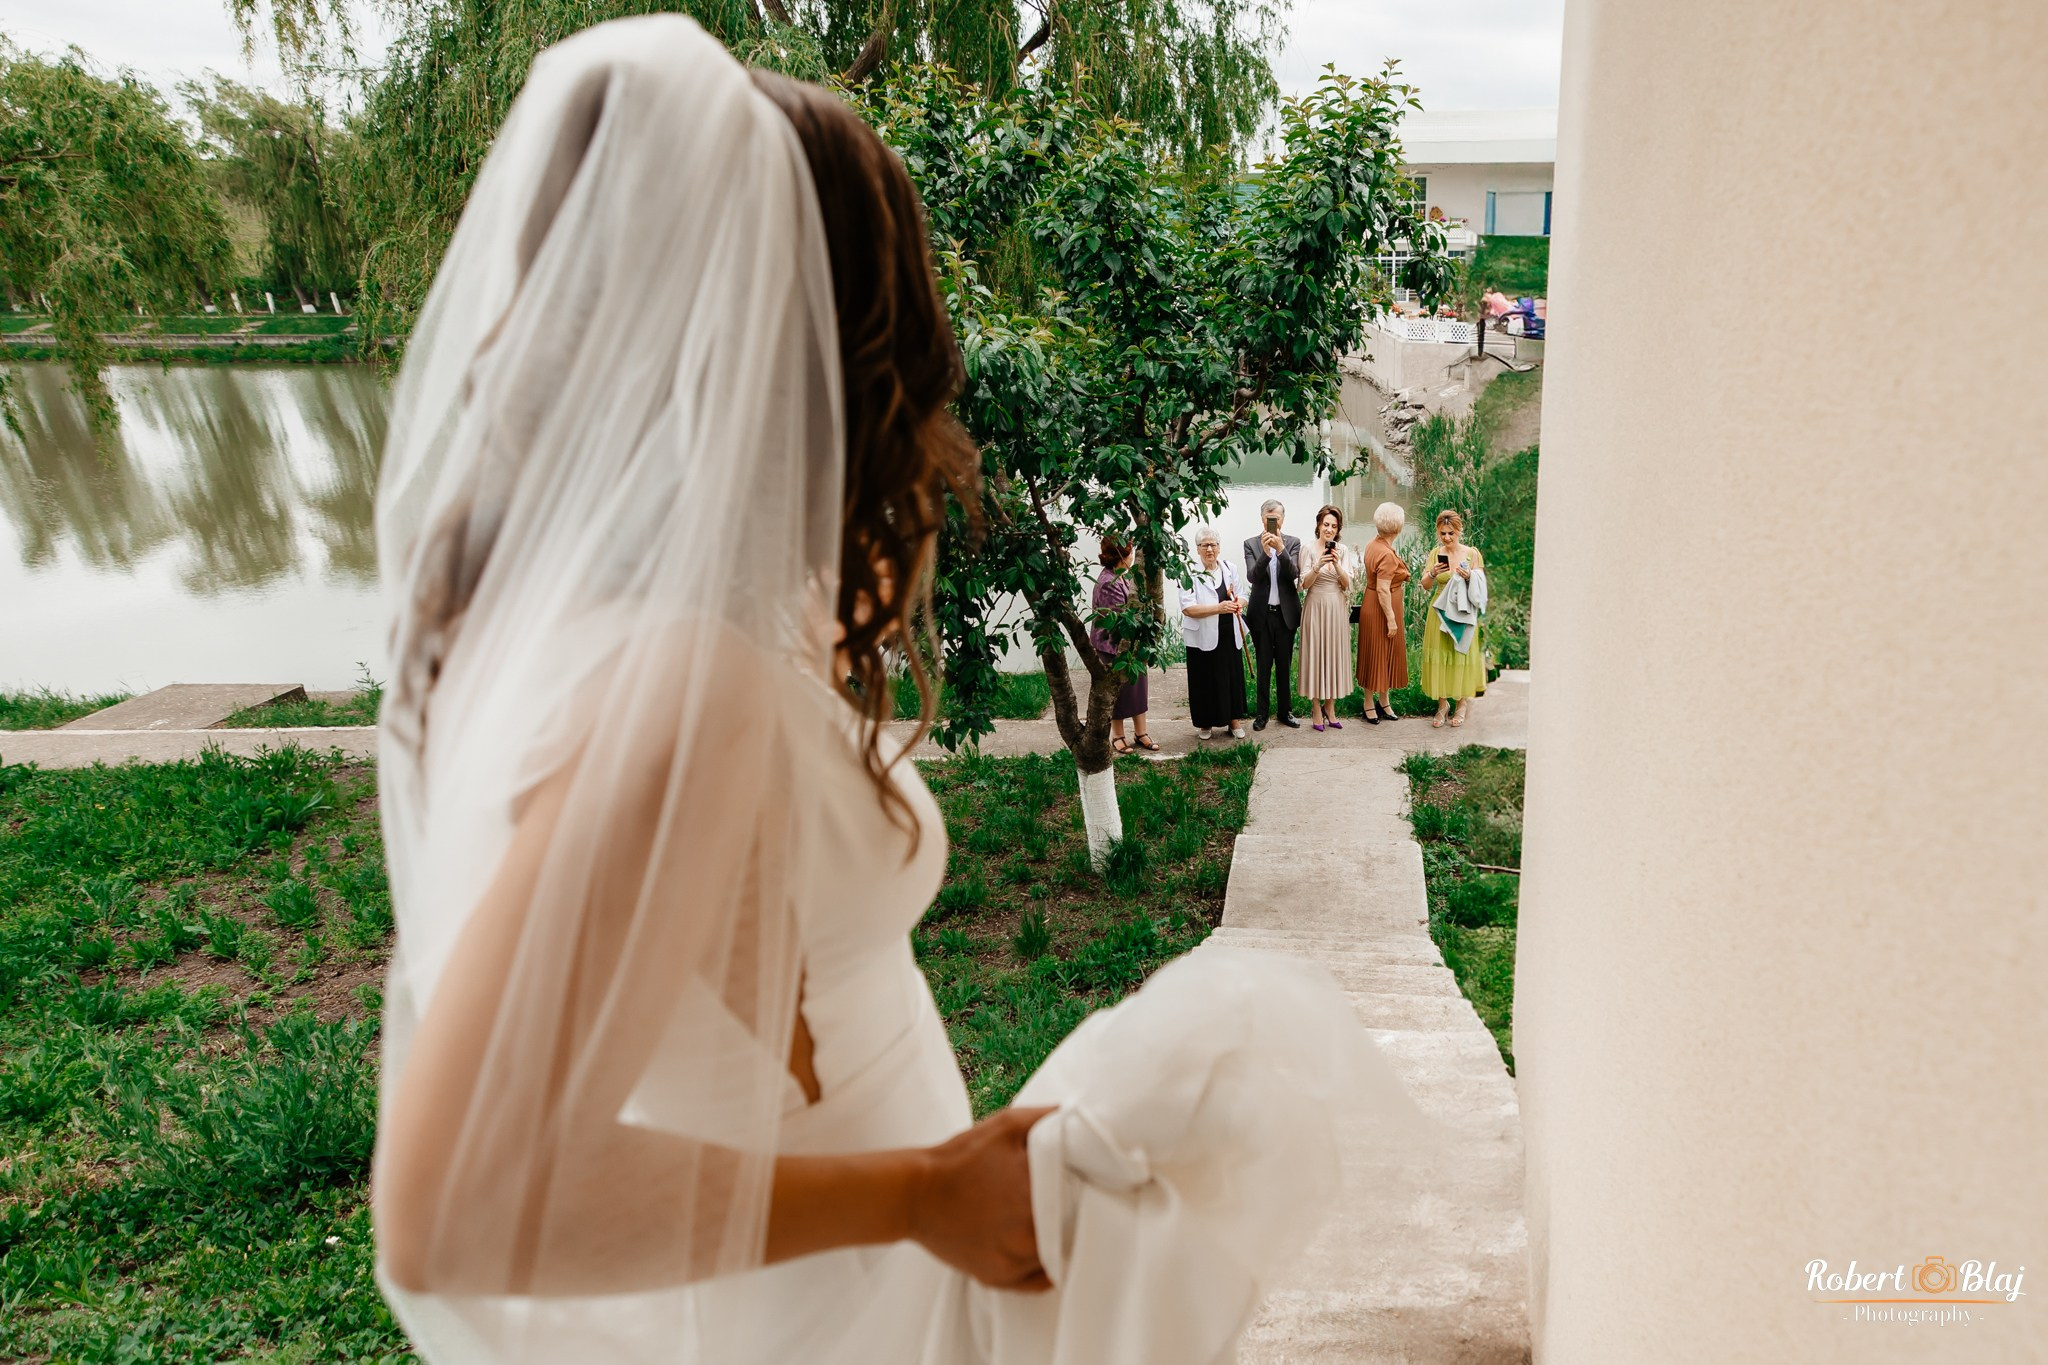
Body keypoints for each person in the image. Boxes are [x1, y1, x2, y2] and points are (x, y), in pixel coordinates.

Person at [368, 19, 1415, 1365]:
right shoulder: (682, 685)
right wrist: (922, 1194)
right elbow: (453, 1209)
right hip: (821, 1315)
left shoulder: (614, 626)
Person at [1418, 508, 1489, 728]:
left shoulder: (1472, 554)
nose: (1447, 538)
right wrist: (1433, 573)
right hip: (1439, 611)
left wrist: (1470, 578)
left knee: (1460, 655)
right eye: (1442, 533)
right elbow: (1425, 585)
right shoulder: (1435, 553)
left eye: (1451, 533)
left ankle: (1461, 704)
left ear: (1459, 531)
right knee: (1441, 657)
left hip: (1464, 611)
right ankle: (1442, 705)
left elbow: (1482, 586)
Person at [1178, 527, 1250, 741]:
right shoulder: (1188, 572)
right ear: (1198, 549)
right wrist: (1218, 608)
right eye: (1204, 545)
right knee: (1204, 679)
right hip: (1201, 637)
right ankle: (1205, 723)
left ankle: (1234, 720)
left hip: (1228, 633)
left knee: (1231, 677)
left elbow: (1243, 594)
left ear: (1219, 547)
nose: (1209, 549)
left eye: (1213, 545)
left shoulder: (1230, 568)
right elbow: (1187, 608)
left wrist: (1238, 604)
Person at [1090, 538, 1157, 754]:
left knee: (1138, 688)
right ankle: (1117, 735)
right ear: (1122, 557)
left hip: (1132, 644)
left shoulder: (1123, 577)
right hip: (1113, 646)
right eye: (1130, 554)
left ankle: (1141, 732)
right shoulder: (1109, 582)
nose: (1133, 559)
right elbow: (1121, 620)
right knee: (1117, 691)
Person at [1294, 504, 1357, 732]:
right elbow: (1303, 585)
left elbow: (1347, 583)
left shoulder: (1343, 550)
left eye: (1334, 526)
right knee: (1315, 654)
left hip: (1336, 606)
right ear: (1318, 525)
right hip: (1315, 605)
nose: (1329, 529)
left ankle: (1330, 707)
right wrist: (1318, 566)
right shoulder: (1308, 549)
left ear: (1338, 529)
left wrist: (1337, 564)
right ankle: (1315, 707)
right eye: (1326, 524)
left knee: (1334, 654)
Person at [1241, 499, 1303, 731]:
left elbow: (1294, 573)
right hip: (1261, 616)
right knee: (1264, 665)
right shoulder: (1251, 544)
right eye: (1269, 518)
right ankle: (1261, 714)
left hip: (1285, 615)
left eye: (1276, 518)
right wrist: (1266, 553)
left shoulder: (1293, 543)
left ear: (1282, 520)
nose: (1272, 522)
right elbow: (1252, 577)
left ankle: (1285, 712)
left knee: (1285, 666)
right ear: (1262, 519)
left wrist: (1281, 549)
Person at [1354, 501, 1410, 724]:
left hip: (1372, 602)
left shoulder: (1373, 544)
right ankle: (1368, 703)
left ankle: (1383, 700)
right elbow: (1383, 589)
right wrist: (1391, 619)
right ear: (1397, 526)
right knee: (1376, 652)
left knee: (1382, 653)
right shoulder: (1386, 554)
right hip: (1381, 608)